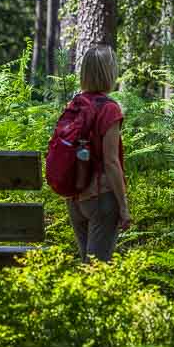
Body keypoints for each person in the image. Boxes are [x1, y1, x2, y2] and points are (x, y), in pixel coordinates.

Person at [68, 45, 130, 261]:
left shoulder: (75, 104)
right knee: (97, 270)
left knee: (87, 266)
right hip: (101, 198)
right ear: (109, 72)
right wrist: (123, 206)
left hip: (75, 197)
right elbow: (111, 162)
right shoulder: (109, 108)